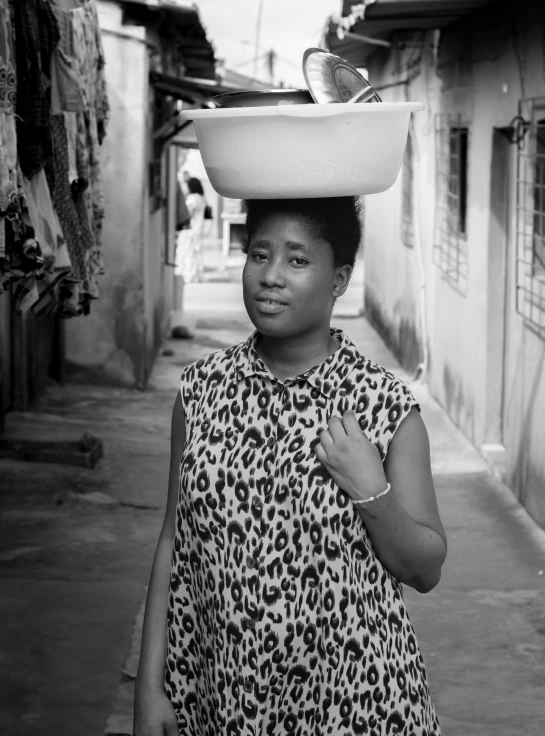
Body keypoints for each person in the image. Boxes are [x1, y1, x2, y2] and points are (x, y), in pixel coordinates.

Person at [134, 196, 447, 736]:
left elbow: (425, 569)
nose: (270, 277)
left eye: (297, 260)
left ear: (339, 278)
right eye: (260, 254)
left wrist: (371, 490)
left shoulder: (382, 405)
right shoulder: (201, 389)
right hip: (221, 693)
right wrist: (149, 686)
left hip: (356, 701)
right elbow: (172, 541)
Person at [174, 176, 206, 284]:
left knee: (187, 252)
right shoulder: (201, 197)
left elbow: (187, 214)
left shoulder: (192, 198)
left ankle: (188, 276)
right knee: (196, 252)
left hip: (190, 229)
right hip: (198, 228)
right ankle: (197, 276)